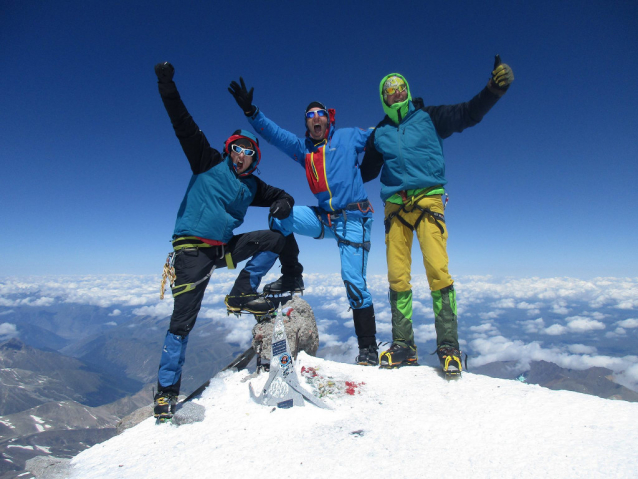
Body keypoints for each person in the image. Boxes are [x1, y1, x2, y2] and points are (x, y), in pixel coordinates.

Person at [152, 62, 303, 420]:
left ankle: (242, 291)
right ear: (227, 148)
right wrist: (167, 85)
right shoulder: (207, 162)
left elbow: (282, 194)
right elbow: (182, 124)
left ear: (254, 159)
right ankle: (166, 393)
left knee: (277, 236)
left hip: (223, 251)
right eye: (237, 147)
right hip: (192, 253)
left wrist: (282, 203)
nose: (241, 154)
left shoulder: (252, 187)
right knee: (182, 321)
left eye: (249, 150)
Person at [360, 56, 514, 374]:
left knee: (438, 273)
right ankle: (404, 345)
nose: (396, 92)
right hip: (394, 208)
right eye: (389, 90)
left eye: (400, 87)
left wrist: (492, 91)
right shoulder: (379, 134)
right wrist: (337, 164)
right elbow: (365, 172)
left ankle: (448, 345)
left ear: (408, 90)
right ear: (383, 97)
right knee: (397, 277)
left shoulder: (429, 117)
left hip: (429, 201)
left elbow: (468, 114)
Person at [228, 78, 379, 366]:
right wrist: (252, 113)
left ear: (328, 117)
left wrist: (406, 123)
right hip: (325, 217)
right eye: (309, 116)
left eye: (319, 113)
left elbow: (379, 135)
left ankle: (368, 349)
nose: (315, 118)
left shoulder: (347, 137)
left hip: (355, 218)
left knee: (353, 280)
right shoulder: (304, 149)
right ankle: (291, 273)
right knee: (279, 214)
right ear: (307, 124)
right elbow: (274, 135)